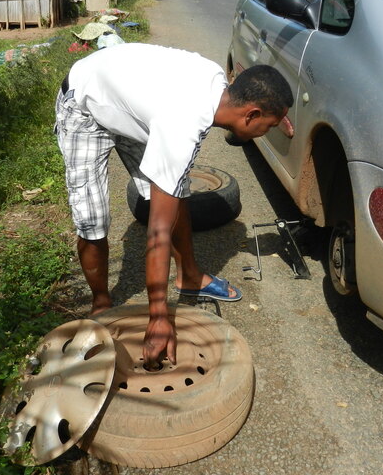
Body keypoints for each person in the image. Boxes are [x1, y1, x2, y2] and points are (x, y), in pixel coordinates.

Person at [55, 43, 294, 367]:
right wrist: (159, 317)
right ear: (250, 114)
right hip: (85, 105)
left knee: (175, 191)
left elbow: (168, 198)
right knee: (93, 219)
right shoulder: (183, 123)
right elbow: (157, 231)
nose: (265, 134)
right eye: (266, 126)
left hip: (127, 106)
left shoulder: (216, 85)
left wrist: (277, 115)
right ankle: (101, 303)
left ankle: (189, 275)